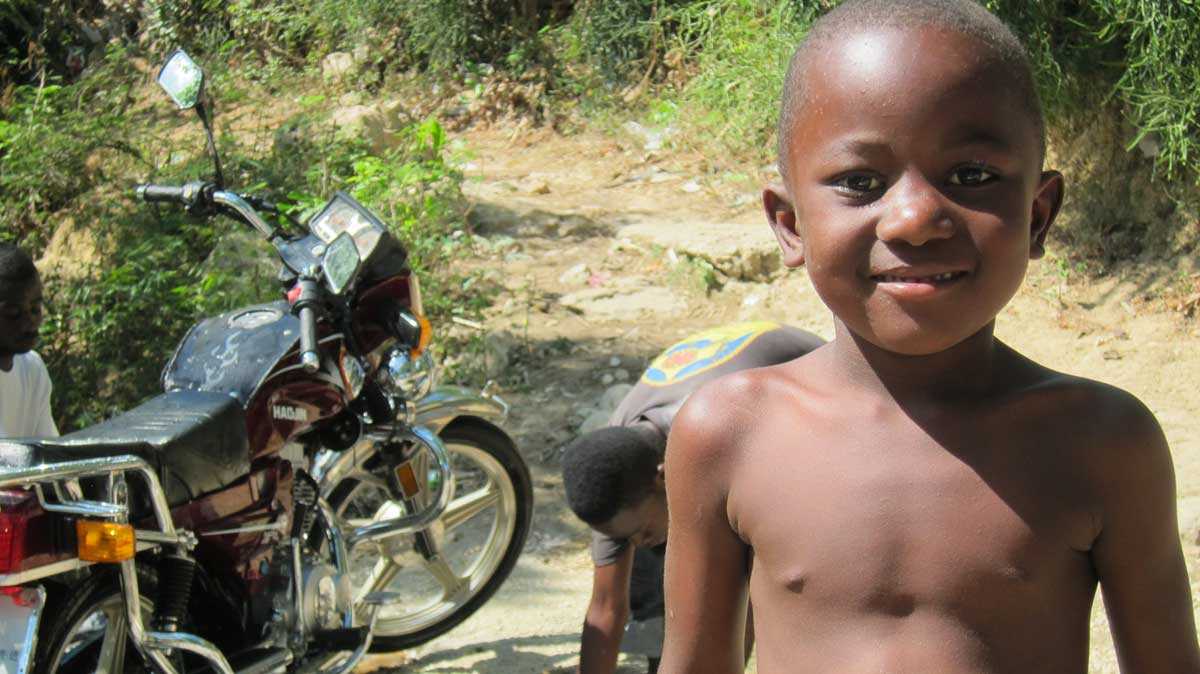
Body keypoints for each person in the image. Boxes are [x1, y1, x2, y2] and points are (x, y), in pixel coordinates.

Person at [659, 2, 1200, 673]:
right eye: (861, 182)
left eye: (971, 176)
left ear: (1038, 215)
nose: (914, 219)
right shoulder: (727, 433)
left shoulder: (1102, 443)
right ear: (790, 224)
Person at [562, 321, 824, 674]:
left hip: (811, 399)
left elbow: (741, 592)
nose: (637, 542)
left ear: (662, 477)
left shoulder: (720, 438)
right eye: (626, 536)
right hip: (727, 393)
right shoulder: (613, 471)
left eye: (638, 531)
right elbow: (606, 608)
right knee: (656, 561)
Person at [0, 243, 57, 438]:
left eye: (35, 308)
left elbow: (49, 459)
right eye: (14, 312)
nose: (30, 320)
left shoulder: (32, 369)